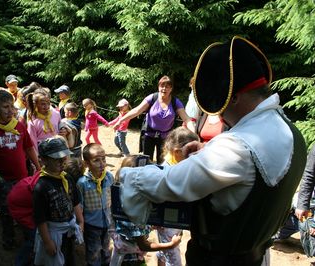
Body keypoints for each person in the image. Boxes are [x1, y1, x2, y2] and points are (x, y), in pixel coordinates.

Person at [118, 36, 307, 266]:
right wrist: (208, 149)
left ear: (235, 98)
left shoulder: (238, 146)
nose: (220, 115)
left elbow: (169, 181)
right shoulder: (291, 132)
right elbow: (251, 171)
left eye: (221, 106)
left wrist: (127, 175)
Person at [0, 89, 40, 250]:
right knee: (5, 211)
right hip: (1, 180)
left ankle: (29, 237)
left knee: (26, 207)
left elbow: (29, 148)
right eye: (5, 107)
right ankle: (9, 238)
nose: (10, 110)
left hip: (22, 177)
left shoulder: (19, 126)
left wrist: (38, 167)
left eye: (12, 106)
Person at [110, 155, 183, 266]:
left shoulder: (127, 197)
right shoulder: (133, 212)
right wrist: (171, 245)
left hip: (130, 253)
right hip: (129, 259)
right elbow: (143, 245)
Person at [113, 75, 194, 163]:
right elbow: (136, 110)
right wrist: (121, 120)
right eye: (162, 86)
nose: (164, 89)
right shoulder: (152, 98)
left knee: (163, 162)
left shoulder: (175, 102)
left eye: (167, 87)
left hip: (165, 138)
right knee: (146, 161)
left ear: (171, 89)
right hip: (148, 135)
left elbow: (187, 119)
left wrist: (194, 133)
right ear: (158, 87)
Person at [33, 137, 84, 266]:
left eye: (64, 157)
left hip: (69, 229)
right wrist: (47, 241)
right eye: (57, 159)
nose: (62, 161)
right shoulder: (41, 186)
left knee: (69, 257)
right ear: (43, 160)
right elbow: (40, 218)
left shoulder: (67, 178)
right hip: (53, 232)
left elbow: (75, 200)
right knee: (54, 260)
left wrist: (81, 221)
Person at [156, 127, 199, 266]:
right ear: (177, 152)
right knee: (173, 256)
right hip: (167, 221)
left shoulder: (178, 163)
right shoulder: (167, 171)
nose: (196, 155)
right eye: (192, 151)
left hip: (174, 219)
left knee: (164, 250)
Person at [77, 143, 114, 265]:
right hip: (91, 225)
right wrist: (81, 225)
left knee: (106, 249)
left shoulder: (109, 177)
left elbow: (113, 199)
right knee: (93, 252)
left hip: (107, 223)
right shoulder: (82, 183)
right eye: (96, 160)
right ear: (87, 163)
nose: (102, 163)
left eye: (103, 159)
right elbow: (80, 206)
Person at [26, 88, 61, 154]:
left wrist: (64, 129)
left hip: (58, 150)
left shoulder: (56, 114)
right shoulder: (33, 122)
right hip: (44, 154)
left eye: (48, 103)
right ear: (35, 105)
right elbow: (32, 142)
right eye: (43, 104)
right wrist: (37, 159)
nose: (47, 106)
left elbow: (60, 128)